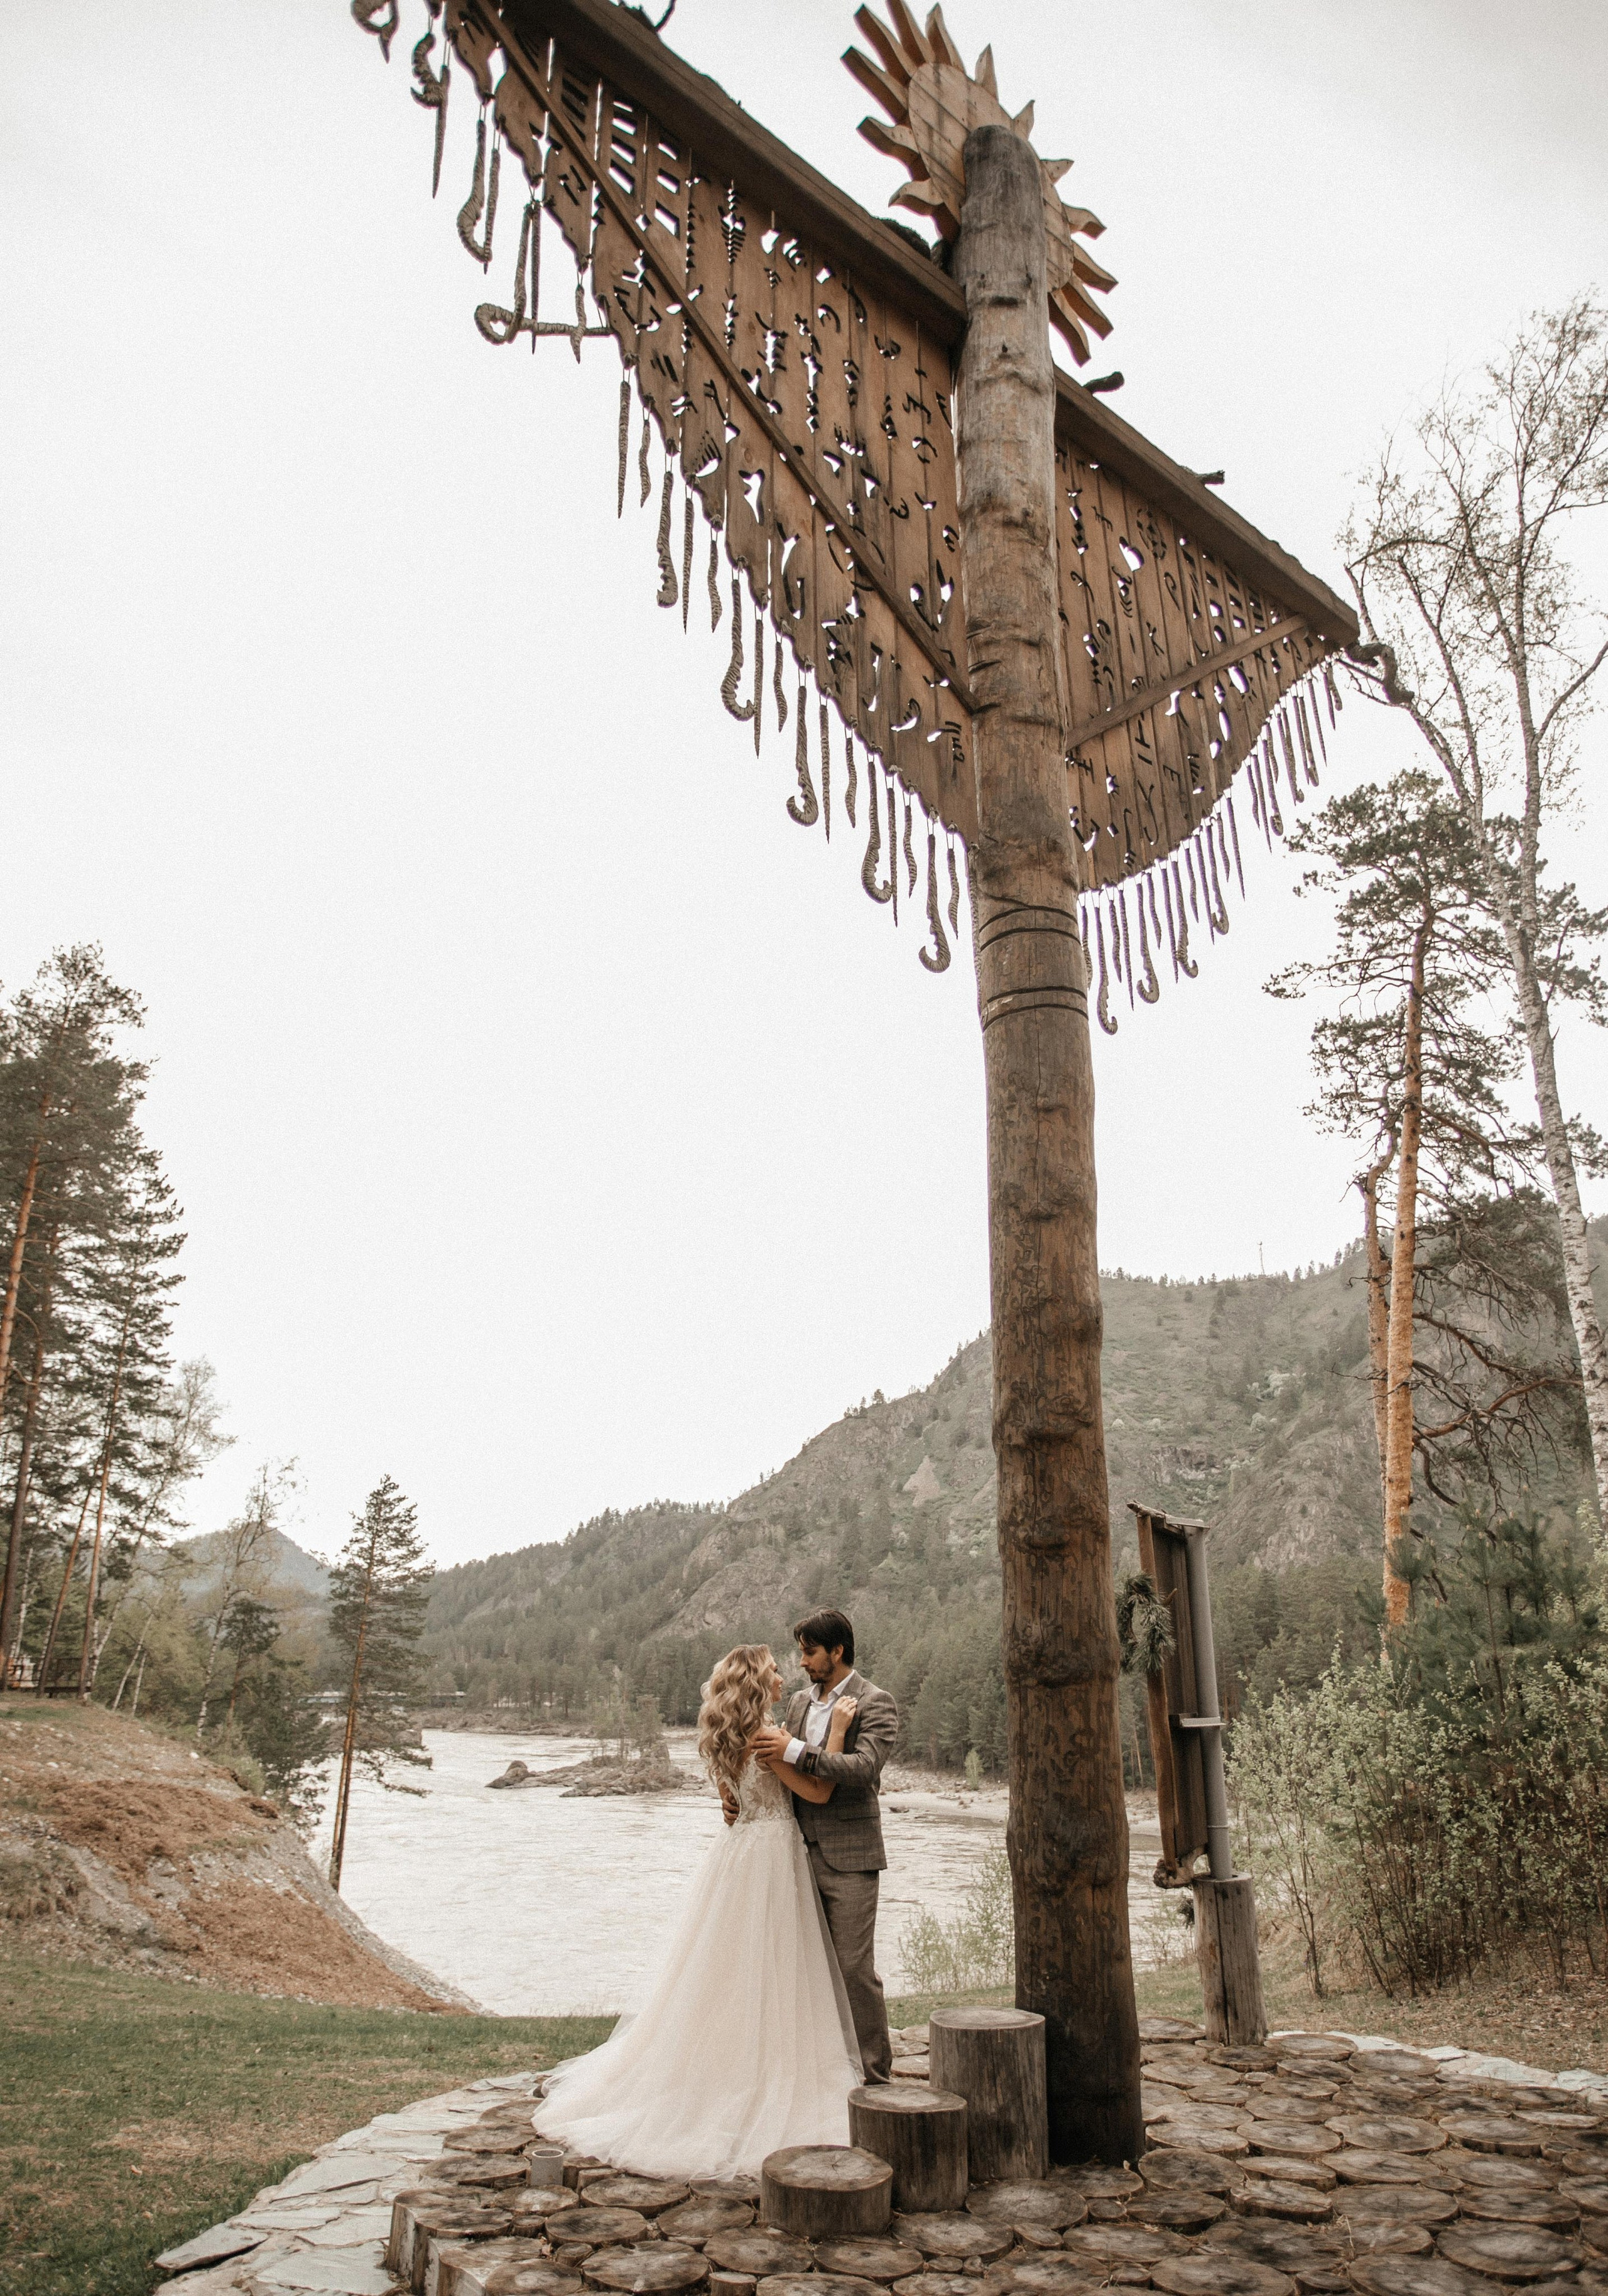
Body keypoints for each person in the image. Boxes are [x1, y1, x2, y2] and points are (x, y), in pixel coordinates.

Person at [535, 1645, 863, 2179]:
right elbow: (820, 1791)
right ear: (758, 1681)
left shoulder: (727, 1736)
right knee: (770, 1970)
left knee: (726, 1970)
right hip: (772, 1858)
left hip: (736, 1856)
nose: (784, 1674)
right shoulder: (765, 1737)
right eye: (776, 1669)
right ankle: (759, 2076)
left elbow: (731, 1802)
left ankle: (725, 2066)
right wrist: (840, 1733)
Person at [744, 1608, 898, 2085]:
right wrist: (738, 1802)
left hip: (850, 1857)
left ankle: (875, 2075)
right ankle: (825, 2070)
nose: (802, 1661)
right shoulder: (795, 1704)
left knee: (853, 1968)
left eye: (810, 1651)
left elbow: (863, 1768)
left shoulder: (876, 1702)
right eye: (801, 1651)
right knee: (805, 1968)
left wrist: (794, 1750)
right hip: (791, 1852)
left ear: (837, 1651)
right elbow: (776, 1775)